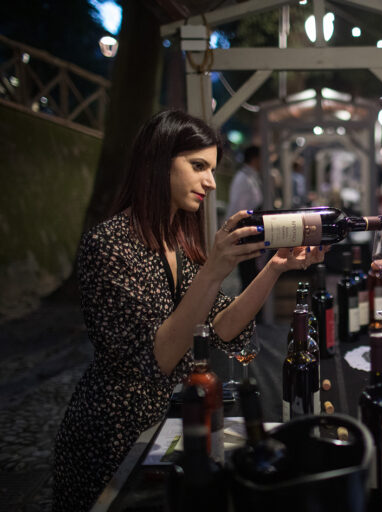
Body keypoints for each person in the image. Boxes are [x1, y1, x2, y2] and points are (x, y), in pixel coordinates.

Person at [53, 110, 323, 511]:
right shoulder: (108, 245)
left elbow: (222, 327)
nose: (211, 182)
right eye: (198, 166)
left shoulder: (178, 240)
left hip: (171, 429)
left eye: (212, 169)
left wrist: (275, 267)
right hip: (115, 436)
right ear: (158, 162)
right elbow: (158, 357)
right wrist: (215, 268)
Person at [227, 145, 263, 290]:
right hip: (244, 234)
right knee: (248, 276)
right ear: (255, 159)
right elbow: (238, 209)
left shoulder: (250, 177)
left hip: (250, 232)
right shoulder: (243, 178)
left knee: (251, 275)